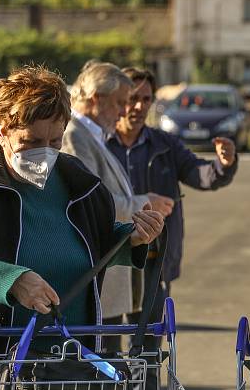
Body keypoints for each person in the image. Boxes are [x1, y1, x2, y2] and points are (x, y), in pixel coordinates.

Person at [0, 65, 165, 390]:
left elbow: (91, 242)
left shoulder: (78, 180)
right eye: (32, 141)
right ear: (1, 130)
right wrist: (11, 281)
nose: (45, 152)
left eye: (54, 140)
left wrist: (132, 239)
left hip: (71, 377)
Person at [106, 66, 238, 390]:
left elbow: (201, 175)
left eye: (145, 99)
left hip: (152, 265)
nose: (136, 106)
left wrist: (223, 164)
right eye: (131, 98)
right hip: (109, 265)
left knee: (146, 357)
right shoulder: (99, 145)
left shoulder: (165, 145)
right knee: (108, 356)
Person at [62, 61, 174, 328]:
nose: (124, 111)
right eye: (119, 103)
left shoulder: (93, 135)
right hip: (95, 279)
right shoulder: (75, 136)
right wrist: (145, 203)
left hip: (107, 279)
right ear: (96, 98)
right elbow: (88, 203)